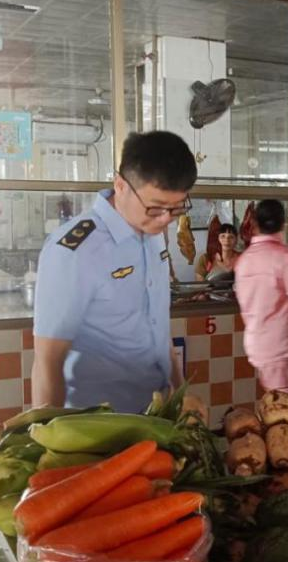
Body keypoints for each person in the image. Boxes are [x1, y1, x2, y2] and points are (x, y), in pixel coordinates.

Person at [32, 131, 198, 411]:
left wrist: (180, 395)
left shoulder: (152, 232)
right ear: (120, 185)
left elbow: (157, 325)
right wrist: (50, 441)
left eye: (177, 208)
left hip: (155, 415)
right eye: (156, 208)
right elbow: (48, 360)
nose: (166, 219)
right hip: (98, 425)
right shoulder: (75, 251)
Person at [234, 199, 288, 394]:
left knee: (275, 403)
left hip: (257, 342)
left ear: (255, 224)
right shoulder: (286, 257)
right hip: (282, 345)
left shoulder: (244, 260)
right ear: (284, 223)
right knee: (283, 410)